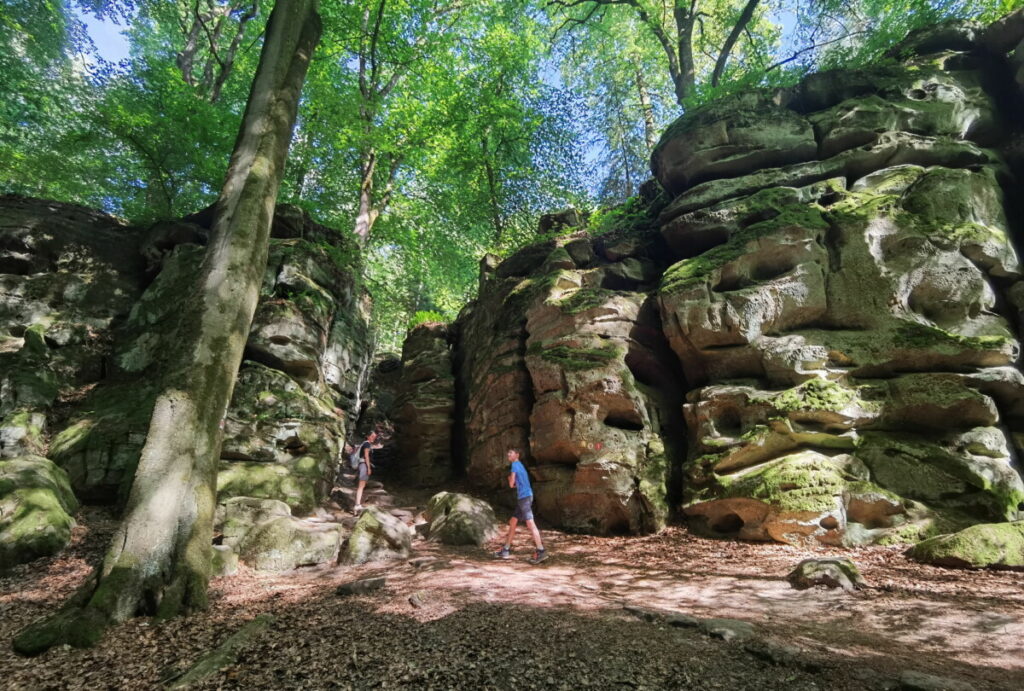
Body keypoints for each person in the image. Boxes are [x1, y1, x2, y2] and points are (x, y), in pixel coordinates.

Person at [493, 448, 548, 564]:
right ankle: (506, 549)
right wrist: (513, 482)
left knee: (530, 523)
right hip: (524, 498)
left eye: (511, 453)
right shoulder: (520, 466)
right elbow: (516, 484)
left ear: (517, 455)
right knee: (513, 521)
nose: (508, 454)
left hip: (524, 498)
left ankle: (541, 550)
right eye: (508, 453)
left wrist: (509, 480)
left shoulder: (515, 465)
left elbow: (511, 483)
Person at [353, 430, 377, 513]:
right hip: (364, 465)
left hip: (362, 465)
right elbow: (366, 456)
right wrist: (369, 468)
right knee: (361, 486)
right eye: (372, 436)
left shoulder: (365, 443)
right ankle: (357, 505)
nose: (374, 438)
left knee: (361, 486)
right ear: (368, 436)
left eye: (375, 437)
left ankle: (357, 504)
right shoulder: (367, 444)